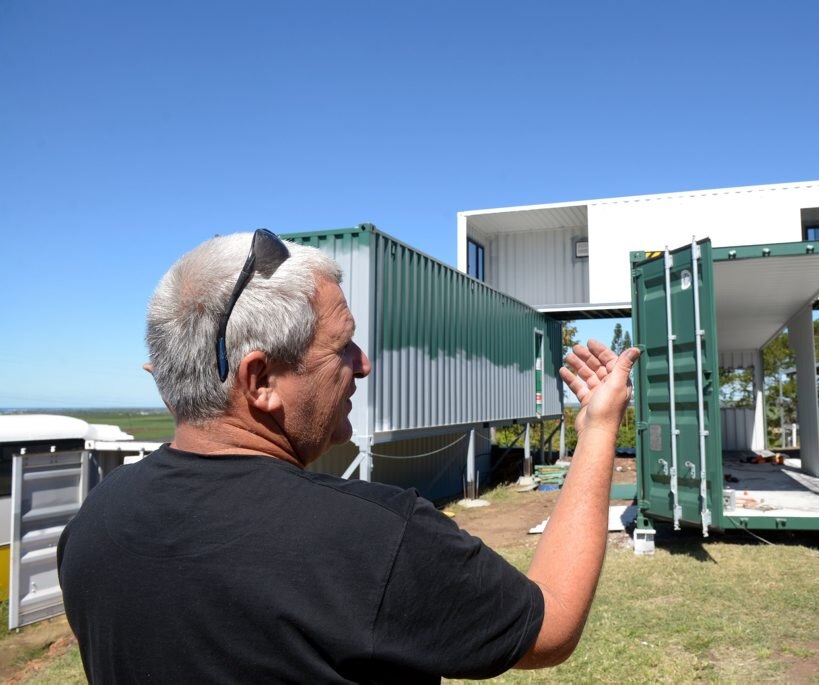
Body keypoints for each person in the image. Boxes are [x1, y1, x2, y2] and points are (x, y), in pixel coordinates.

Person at [57, 229, 638, 683]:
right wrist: (597, 430)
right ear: (260, 380)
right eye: (342, 347)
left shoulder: (91, 526)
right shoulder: (379, 539)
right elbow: (552, 624)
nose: (363, 364)